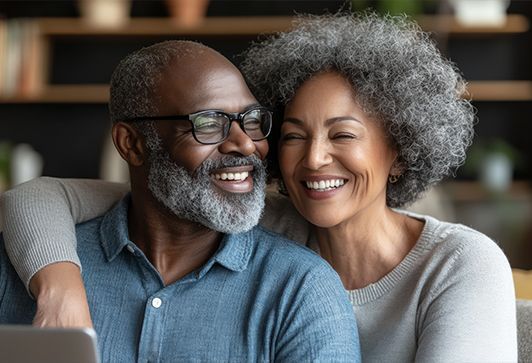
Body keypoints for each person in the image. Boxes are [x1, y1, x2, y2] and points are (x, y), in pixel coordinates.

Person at [1, 13, 517, 362]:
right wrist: (59, 284)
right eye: (292, 135)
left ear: (400, 149)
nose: (314, 158)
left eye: (343, 135)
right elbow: (39, 197)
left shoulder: (457, 264)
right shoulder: (247, 215)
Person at [0, 40, 361, 362]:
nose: (246, 144)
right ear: (133, 144)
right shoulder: (24, 265)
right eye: (208, 123)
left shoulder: (300, 290)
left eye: (251, 120)